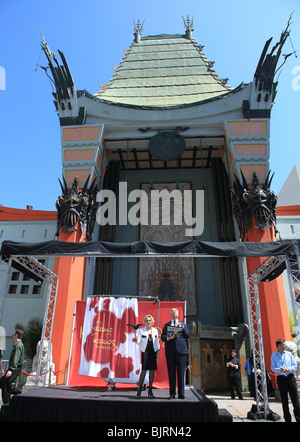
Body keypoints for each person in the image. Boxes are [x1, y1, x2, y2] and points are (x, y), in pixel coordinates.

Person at [161, 307, 190, 399]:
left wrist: (181, 327)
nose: (174, 313)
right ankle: (172, 393)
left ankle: (181, 393)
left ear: (178, 314)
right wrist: (167, 338)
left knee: (181, 372)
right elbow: (162, 337)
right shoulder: (166, 325)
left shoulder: (183, 325)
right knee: (171, 372)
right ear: (170, 314)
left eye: (175, 311)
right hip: (170, 351)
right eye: (172, 311)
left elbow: (187, 335)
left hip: (181, 351)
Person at [271, 339, 300, 422]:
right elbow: (273, 368)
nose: (284, 346)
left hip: (290, 377)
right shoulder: (273, 356)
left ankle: (298, 418)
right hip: (281, 378)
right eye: (283, 345)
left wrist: (289, 369)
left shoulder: (289, 355)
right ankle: (287, 419)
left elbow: (294, 366)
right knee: (284, 400)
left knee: (295, 399)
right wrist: (279, 369)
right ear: (279, 345)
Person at [135, 315, 160, 398]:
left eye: (149, 320)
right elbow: (138, 341)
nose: (148, 322)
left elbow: (157, 342)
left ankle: (150, 391)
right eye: (146, 320)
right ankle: (139, 391)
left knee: (152, 370)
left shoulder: (155, 330)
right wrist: (135, 334)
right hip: (145, 351)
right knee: (144, 370)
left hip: (153, 351)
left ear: (152, 322)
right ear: (144, 322)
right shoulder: (141, 330)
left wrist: (158, 351)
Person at [0, 328, 24, 405]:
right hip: (15, 368)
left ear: (16, 335)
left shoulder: (18, 345)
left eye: (13, 335)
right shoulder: (18, 345)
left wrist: (11, 369)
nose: (13, 336)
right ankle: (14, 394)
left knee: (5, 385)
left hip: (15, 368)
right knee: (4, 383)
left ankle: (8, 402)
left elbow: (16, 358)